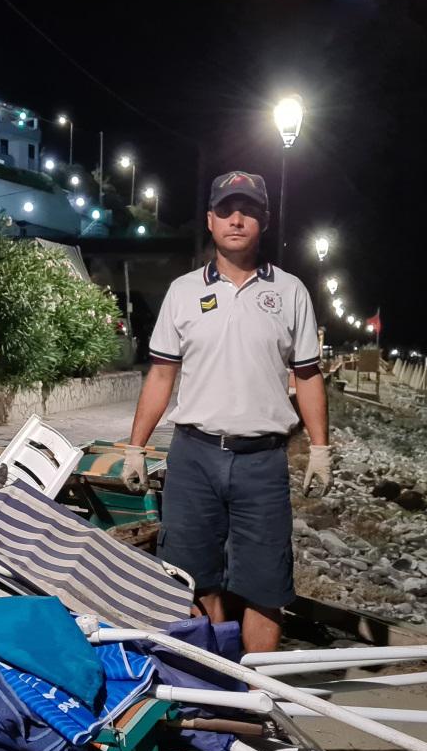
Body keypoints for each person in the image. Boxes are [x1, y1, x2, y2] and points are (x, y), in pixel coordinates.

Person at [122, 170, 332, 653]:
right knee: (194, 580)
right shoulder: (183, 291)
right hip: (193, 457)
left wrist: (321, 449)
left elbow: (307, 375)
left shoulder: (291, 292)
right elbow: (160, 375)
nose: (236, 219)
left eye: (249, 211)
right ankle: (211, 683)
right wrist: (135, 447)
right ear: (210, 220)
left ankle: (257, 705)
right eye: (226, 210)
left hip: (262, 462)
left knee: (265, 587)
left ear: (265, 220)